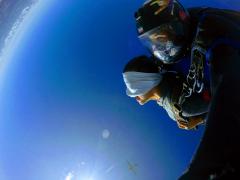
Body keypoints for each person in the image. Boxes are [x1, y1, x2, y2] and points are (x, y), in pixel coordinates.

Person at [132, 0, 240, 179]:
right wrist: (200, 118)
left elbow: (230, 85)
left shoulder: (212, 29)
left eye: (162, 37)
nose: (161, 48)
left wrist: (206, 168)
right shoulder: (169, 60)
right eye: (153, 44)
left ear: (178, 23)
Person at [122, 55, 209, 130]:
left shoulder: (184, 106)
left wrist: (199, 120)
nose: (135, 97)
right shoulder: (167, 75)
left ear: (148, 83)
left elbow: (219, 102)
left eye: (136, 91)